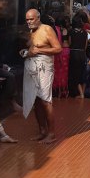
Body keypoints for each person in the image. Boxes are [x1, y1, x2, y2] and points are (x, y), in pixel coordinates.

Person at [23, 9, 62, 143]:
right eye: (27, 20)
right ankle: (42, 131)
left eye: (31, 19)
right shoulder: (30, 32)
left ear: (38, 18)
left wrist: (39, 50)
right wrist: (26, 52)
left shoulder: (47, 30)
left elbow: (58, 48)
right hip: (32, 67)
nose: (29, 22)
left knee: (45, 99)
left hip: (45, 67)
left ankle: (51, 133)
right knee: (36, 100)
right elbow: (30, 49)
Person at [68, 13, 89, 99]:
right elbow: (85, 45)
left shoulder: (71, 32)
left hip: (74, 53)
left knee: (75, 74)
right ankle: (82, 92)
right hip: (82, 54)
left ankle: (81, 94)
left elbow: (70, 43)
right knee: (83, 74)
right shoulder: (85, 33)